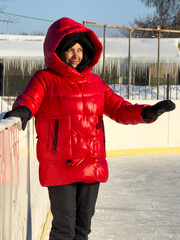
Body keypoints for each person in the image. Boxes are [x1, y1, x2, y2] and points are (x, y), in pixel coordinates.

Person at [3, 17, 175, 240]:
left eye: (80, 49)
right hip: (60, 165)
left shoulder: (96, 83)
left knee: (83, 228)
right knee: (64, 229)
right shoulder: (45, 79)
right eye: (70, 50)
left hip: (92, 163)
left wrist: (145, 113)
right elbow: (30, 99)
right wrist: (23, 111)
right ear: (57, 51)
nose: (76, 55)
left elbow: (119, 108)